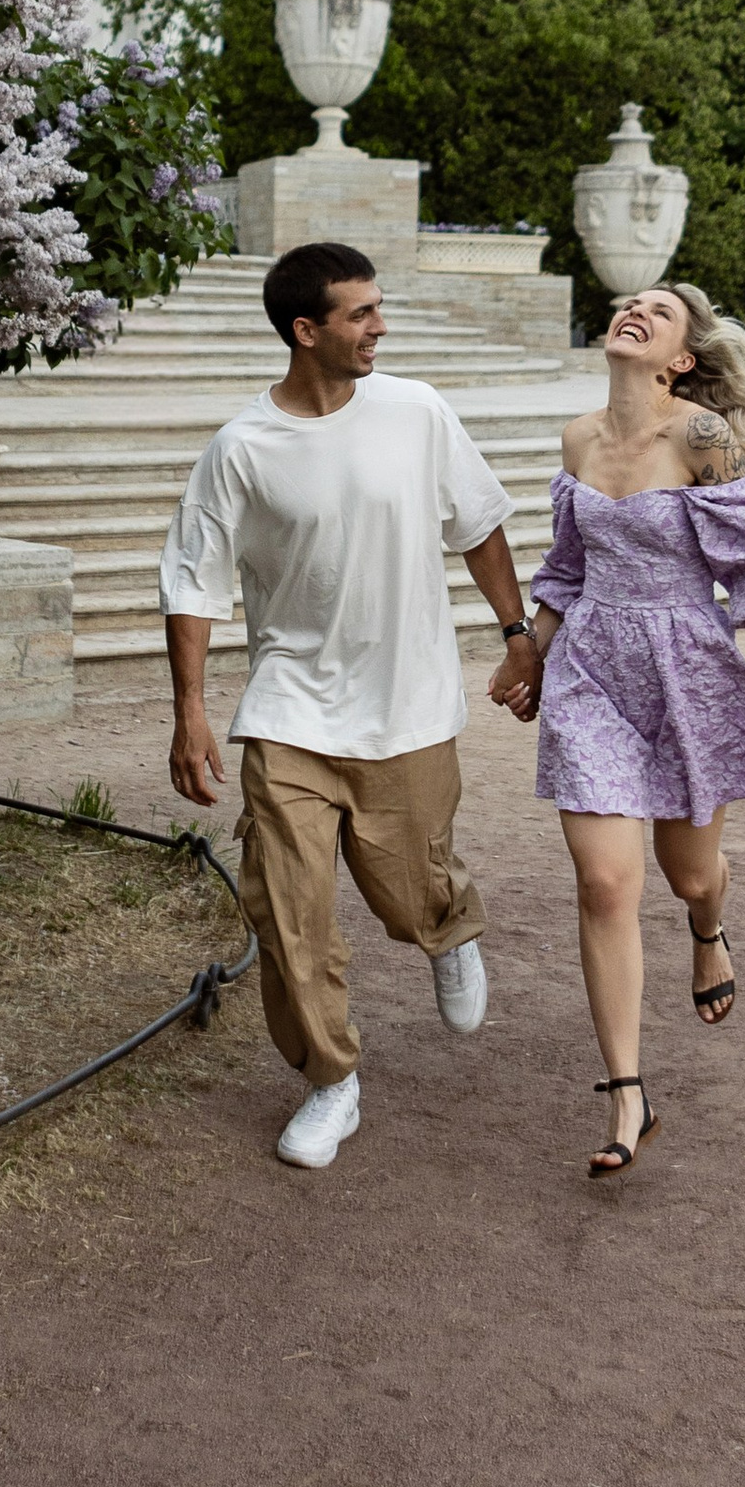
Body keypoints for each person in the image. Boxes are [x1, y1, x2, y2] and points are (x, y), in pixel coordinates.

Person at [162, 239, 543, 1169]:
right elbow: (191, 583)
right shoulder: (242, 450)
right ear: (307, 331)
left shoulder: (415, 411)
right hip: (290, 711)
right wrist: (191, 711)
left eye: (379, 308)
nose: (381, 327)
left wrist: (517, 632)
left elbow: (480, 524)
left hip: (407, 705)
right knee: (286, 910)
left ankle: (443, 929)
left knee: (407, 884)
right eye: (361, 314)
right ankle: (332, 1081)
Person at [489, 282, 745, 1177]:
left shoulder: (701, 438)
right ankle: (627, 1096)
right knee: (603, 882)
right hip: (592, 671)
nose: (635, 309)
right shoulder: (578, 438)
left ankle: (708, 932)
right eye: (628, 302)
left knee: (689, 874)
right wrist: (530, 657)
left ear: (680, 359)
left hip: (688, 673)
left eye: (658, 312)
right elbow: (567, 566)